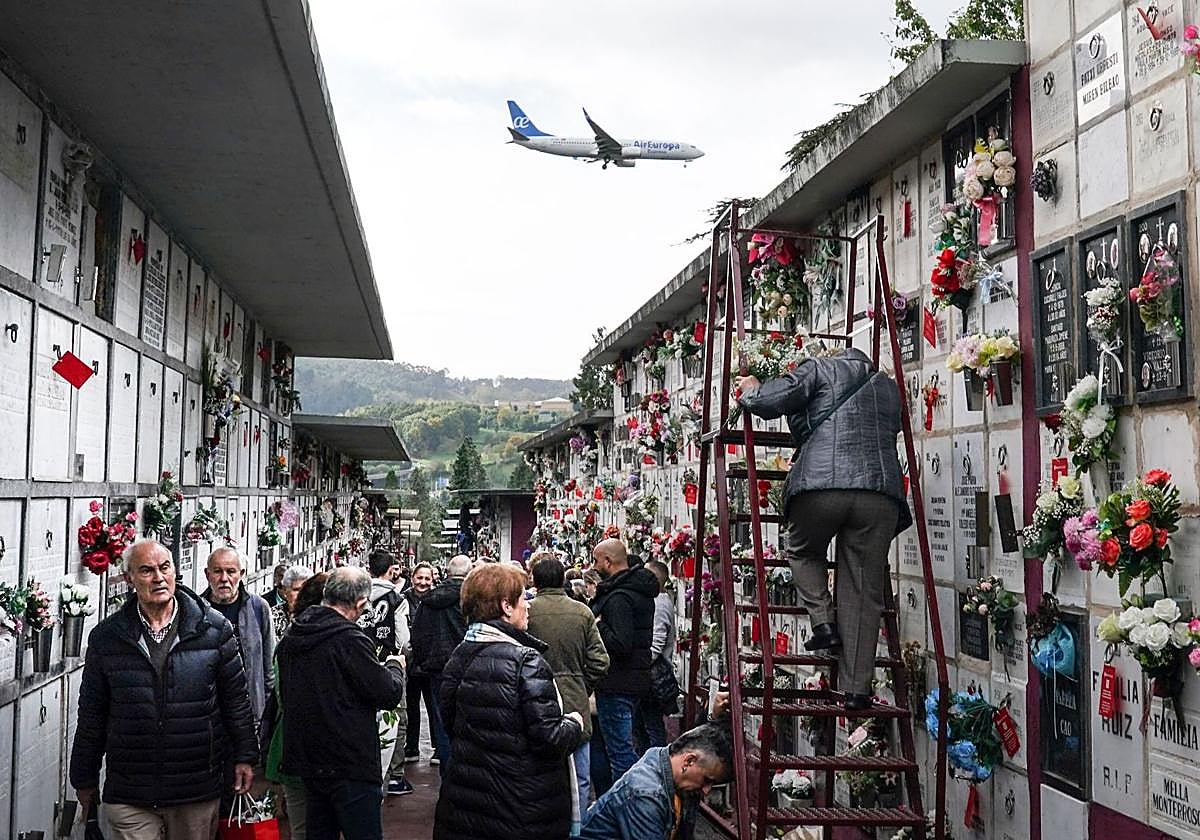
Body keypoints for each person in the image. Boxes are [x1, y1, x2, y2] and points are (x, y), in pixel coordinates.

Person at [737, 346, 912, 711]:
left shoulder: (820, 368)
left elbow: (776, 397)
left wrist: (753, 389)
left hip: (821, 485)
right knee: (863, 587)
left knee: (802, 549)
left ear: (834, 354)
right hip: (880, 494)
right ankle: (856, 689)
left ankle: (822, 623)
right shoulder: (889, 387)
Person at [70, 540, 258, 839]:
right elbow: (92, 713)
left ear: (175, 572)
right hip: (131, 788)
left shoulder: (213, 629)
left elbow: (235, 700)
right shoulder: (108, 638)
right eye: (146, 570)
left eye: (164, 567)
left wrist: (245, 756)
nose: (158, 577)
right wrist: (84, 776)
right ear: (129, 578)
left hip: (194, 787)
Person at [433, 563, 585, 840]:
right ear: (506, 606)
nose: (527, 605)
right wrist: (574, 723)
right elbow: (549, 738)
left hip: (467, 800)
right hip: (521, 804)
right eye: (522, 598)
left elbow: (451, 724)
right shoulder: (525, 661)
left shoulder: (460, 654)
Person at [276, 567, 405, 840]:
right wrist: (395, 666)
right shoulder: (349, 640)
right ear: (360, 604)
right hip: (349, 763)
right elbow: (387, 693)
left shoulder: (294, 635)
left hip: (309, 760)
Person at [527, 552, 610, 821]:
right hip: (574, 696)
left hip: (532, 694)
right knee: (581, 771)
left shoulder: (527, 612)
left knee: (536, 765)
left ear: (535, 580)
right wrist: (581, 684)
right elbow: (600, 660)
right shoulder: (582, 611)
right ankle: (577, 826)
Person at [579, 721, 733, 840]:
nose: (707, 790)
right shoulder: (646, 794)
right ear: (688, 761)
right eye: (706, 780)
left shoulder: (664, 757)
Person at [590, 538, 659, 784]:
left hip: (617, 680)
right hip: (634, 678)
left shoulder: (619, 597)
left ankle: (626, 810)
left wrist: (599, 625)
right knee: (624, 747)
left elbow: (621, 643)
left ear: (608, 562)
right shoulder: (638, 591)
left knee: (620, 754)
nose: (594, 566)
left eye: (597, 560)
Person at [265, 572, 327, 840]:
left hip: (295, 745)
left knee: (303, 825)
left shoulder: (291, 640)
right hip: (312, 748)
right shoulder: (339, 642)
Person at [202, 546, 276, 727]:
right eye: (217, 571)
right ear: (207, 574)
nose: (224, 579)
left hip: (250, 711)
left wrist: (267, 712)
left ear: (241, 573)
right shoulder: (196, 611)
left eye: (231, 571)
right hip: (209, 713)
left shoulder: (259, 608)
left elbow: (268, 665)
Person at [410, 554, 471, 772]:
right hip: (466, 667)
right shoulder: (471, 599)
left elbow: (417, 635)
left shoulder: (429, 600)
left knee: (441, 720)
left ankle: (448, 773)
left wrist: (425, 661)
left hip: (437, 669)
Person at [364, 549, 414, 797]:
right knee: (395, 718)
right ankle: (395, 775)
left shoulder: (357, 595)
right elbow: (403, 638)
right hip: (388, 663)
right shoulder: (397, 599)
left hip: (360, 662)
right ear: (390, 570)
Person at [635, 559, 677, 751]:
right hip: (648, 675)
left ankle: (655, 766)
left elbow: (656, 645)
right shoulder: (657, 600)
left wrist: (637, 665)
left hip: (652, 677)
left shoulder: (658, 605)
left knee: (652, 727)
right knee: (644, 726)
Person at [402, 561, 436, 763]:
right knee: (411, 706)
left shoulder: (437, 600)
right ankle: (411, 747)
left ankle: (437, 747)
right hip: (411, 661)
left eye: (427, 578)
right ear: (413, 577)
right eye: (419, 577)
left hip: (431, 662)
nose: (422, 582)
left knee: (434, 707)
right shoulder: (403, 599)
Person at [271, 564, 313, 639]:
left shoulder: (318, 616)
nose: (301, 594)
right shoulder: (273, 616)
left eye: (305, 590)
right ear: (285, 590)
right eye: (296, 590)